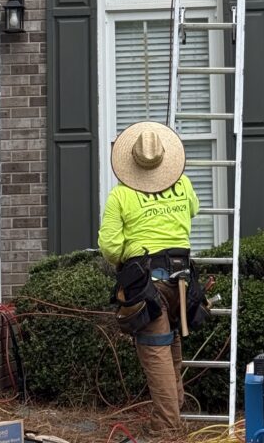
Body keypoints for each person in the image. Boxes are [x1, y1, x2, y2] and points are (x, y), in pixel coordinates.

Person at [99, 121, 200, 439]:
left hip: (147, 286)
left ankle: (167, 427)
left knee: (156, 351)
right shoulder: (182, 184)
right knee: (171, 347)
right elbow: (193, 211)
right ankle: (172, 415)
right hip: (182, 282)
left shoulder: (121, 195)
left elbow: (111, 246)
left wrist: (125, 260)